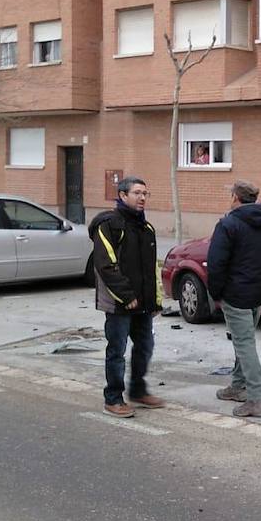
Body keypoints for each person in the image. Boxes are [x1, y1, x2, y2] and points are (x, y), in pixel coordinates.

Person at [206, 179, 261, 417]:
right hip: (259, 292)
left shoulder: (228, 225)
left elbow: (216, 264)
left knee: (244, 344)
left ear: (235, 198)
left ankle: (256, 397)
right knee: (244, 339)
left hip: (236, 294)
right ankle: (238, 386)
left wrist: (216, 292)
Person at [89, 176, 165, 418]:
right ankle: (113, 398)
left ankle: (138, 390)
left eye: (145, 193)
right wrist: (126, 295)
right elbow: (106, 265)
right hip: (120, 303)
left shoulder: (146, 228)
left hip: (143, 302)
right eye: (137, 193)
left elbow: (153, 268)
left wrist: (156, 300)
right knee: (117, 351)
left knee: (144, 347)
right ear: (122, 195)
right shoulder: (109, 225)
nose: (142, 197)